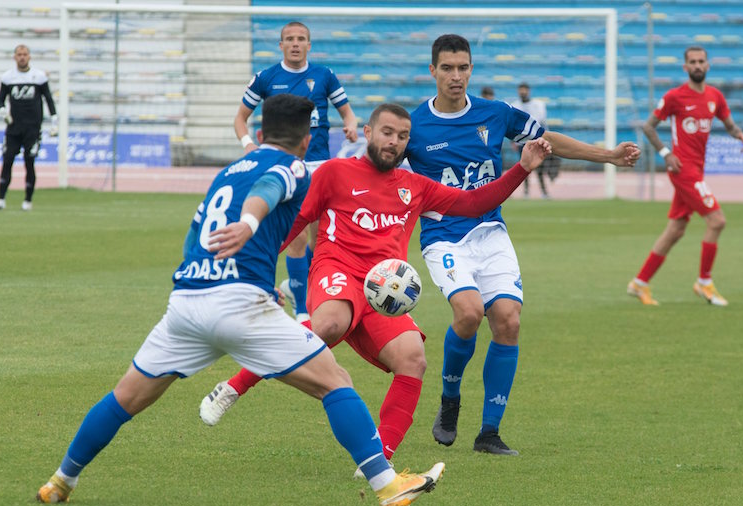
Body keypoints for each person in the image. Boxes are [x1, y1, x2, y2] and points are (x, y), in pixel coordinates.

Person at [35, 94, 443, 506]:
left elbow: (199, 235)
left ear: (260, 134)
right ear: (306, 142)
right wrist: (250, 223)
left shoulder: (229, 172)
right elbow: (270, 190)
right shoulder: (293, 166)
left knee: (124, 399)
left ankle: (61, 480)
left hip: (187, 302)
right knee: (335, 382)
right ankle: (388, 485)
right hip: (240, 305)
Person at [199, 103, 553, 468]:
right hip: (337, 269)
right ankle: (233, 386)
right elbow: (296, 222)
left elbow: (474, 201)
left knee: (413, 358)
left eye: (402, 137)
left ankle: (378, 462)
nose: (393, 142)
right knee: (329, 325)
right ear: (367, 133)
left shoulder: (416, 187)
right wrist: (258, 271)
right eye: (387, 133)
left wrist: (522, 168)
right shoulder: (335, 173)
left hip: (384, 291)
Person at [407, 34, 640, 456]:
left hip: (491, 232)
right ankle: (449, 399)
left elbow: (547, 140)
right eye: (447, 68)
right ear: (432, 72)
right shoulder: (415, 126)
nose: (456, 76)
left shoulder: (495, 114)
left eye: (463, 68)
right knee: (469, 312)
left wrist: (607, 155)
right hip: (443, 236)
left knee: (509, 321)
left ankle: (489, 433)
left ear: (471, 69)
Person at [235, 21, 359, 322]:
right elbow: (240, 118)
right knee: (298, 236)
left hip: (319, 164)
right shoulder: (266, 78)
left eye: (301, 39)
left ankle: (301, 290)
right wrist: (248, 143)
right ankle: (303, 312)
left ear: (309, 44)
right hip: (283, 163)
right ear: (280, 45)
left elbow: (346, 110)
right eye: (289, 39)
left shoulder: (324, 75)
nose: (295, 43)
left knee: (320, 241)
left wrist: (352, 123)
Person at [628, 46, 743, 307]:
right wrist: (665, 152)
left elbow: (728, 122)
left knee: (676, 230)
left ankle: (640, 283)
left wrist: (738, 134)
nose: (697, 65)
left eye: (701, 61)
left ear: (708, 65)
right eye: (692, 62)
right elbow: (648, 126)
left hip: (697, 169)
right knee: (717, 221)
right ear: (685, 67)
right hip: (682, 170)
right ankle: (704, 282)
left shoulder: (715, 96)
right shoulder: (674, 97)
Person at [0, 44, 57, 211]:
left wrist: (54, 120)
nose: (22, 57)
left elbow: (48, 99)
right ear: (14, 57)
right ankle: (1, 199)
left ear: (29, 56)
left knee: (29, 161)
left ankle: (27, 200)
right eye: (19, 54)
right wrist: (3, 112)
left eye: (25, 54)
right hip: (14, 128)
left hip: (32, 128)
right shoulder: (8, 77)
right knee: (7, 161)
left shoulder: (39, 77)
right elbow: (0, 100)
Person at [510, 82, 556, 199]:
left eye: (524, 89)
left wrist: (547, 139)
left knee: (540, 169)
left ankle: (544, 192)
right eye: (521, 89)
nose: (523, 92)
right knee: (523, 167)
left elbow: (543, 124)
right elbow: (510, 126)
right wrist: (512, 142)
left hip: (537, 141)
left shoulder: (538, 105)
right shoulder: (514, 106)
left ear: (528, 91)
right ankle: (526, 192)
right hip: (522, 142)